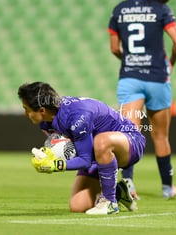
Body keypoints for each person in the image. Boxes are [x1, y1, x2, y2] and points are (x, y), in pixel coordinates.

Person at [107, 0, 176, 199]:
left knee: (130, 134)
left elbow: (114, 47)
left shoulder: (120, 10)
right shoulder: (162, 9)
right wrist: (170, 62)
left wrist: (129, 62)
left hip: (130, 79)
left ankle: (128, 185)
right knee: (160, 137)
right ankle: (168, 188)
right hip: (158, 78)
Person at [18, 82, 146, 215]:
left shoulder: (77, 116)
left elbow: (85, 160)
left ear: (42, 110)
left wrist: (56, 165)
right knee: (77, 206)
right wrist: (47, 156)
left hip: (130, 141)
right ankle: (119, 191)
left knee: (101, 141)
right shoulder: (46, 122)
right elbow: (68, 147)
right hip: (97, 154)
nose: (25, 113)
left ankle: (110, 202)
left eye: (26, 109)